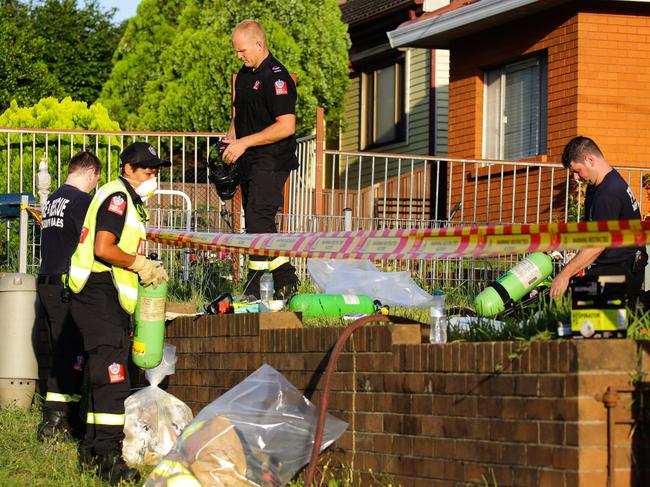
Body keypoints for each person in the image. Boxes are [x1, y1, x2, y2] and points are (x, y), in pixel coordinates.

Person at [67, 141, 169, 484]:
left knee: (102, 374)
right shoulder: (118, 197)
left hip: (102, 294)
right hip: (97, 290)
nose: (151, 176)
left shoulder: (129, 200)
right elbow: (103, 247)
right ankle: (109, 460)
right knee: (113, 377)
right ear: (127, 168)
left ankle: (92, 453)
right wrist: (139, 263)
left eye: (155, 171)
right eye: (145, 170)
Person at [222, 19, 299, 299]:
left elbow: (286, 126)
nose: (238, 56)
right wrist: (231, 139)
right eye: (236, 51)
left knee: (258, 218)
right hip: (248, 159)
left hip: (272, 159)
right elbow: (238, 114)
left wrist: (244, 143)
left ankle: (255, 288)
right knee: (259, 221)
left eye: (242, 50)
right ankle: (285, 279)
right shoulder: (244, 75)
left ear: (259, 44)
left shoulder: (276, 78)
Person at [37, 151, 101, 440]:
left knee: (57, 349)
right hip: (66, 284)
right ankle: (60, 421)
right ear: (90, 173)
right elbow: (92, 241)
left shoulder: (53, 200)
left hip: (47, 282)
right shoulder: (81, 201)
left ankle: (55, 415)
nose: (95, 186)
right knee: (72, 351)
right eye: (96, 180)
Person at [550, 136, 648, 300]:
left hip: (623, 269)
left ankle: (638, 310)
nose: (575, 177)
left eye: (576, 170)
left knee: (577, 299)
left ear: (590, 160)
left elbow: (596, 246)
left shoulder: (607, 193)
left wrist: (564, 275)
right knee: (568, 296)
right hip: (618, 265)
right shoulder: (601, 184)